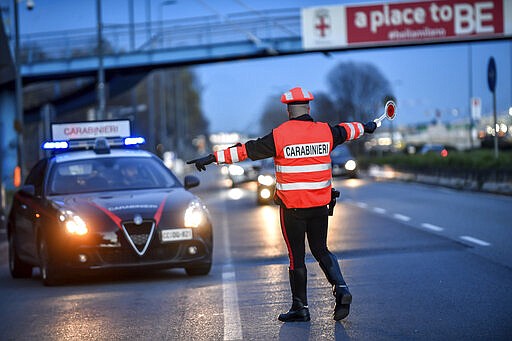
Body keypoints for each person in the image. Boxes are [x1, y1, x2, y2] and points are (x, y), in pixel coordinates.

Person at [187, 87, 378, 322]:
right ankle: (341, 288)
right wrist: (368, 126)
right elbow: (348, 130)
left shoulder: (280, 135)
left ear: (289, 111)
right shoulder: (325, 132)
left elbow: (246, 151)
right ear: (308, 108)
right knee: (321, 249)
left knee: (296, 257)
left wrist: (212, 157)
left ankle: (301, 307)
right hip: (320, 206)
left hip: (293, 209)